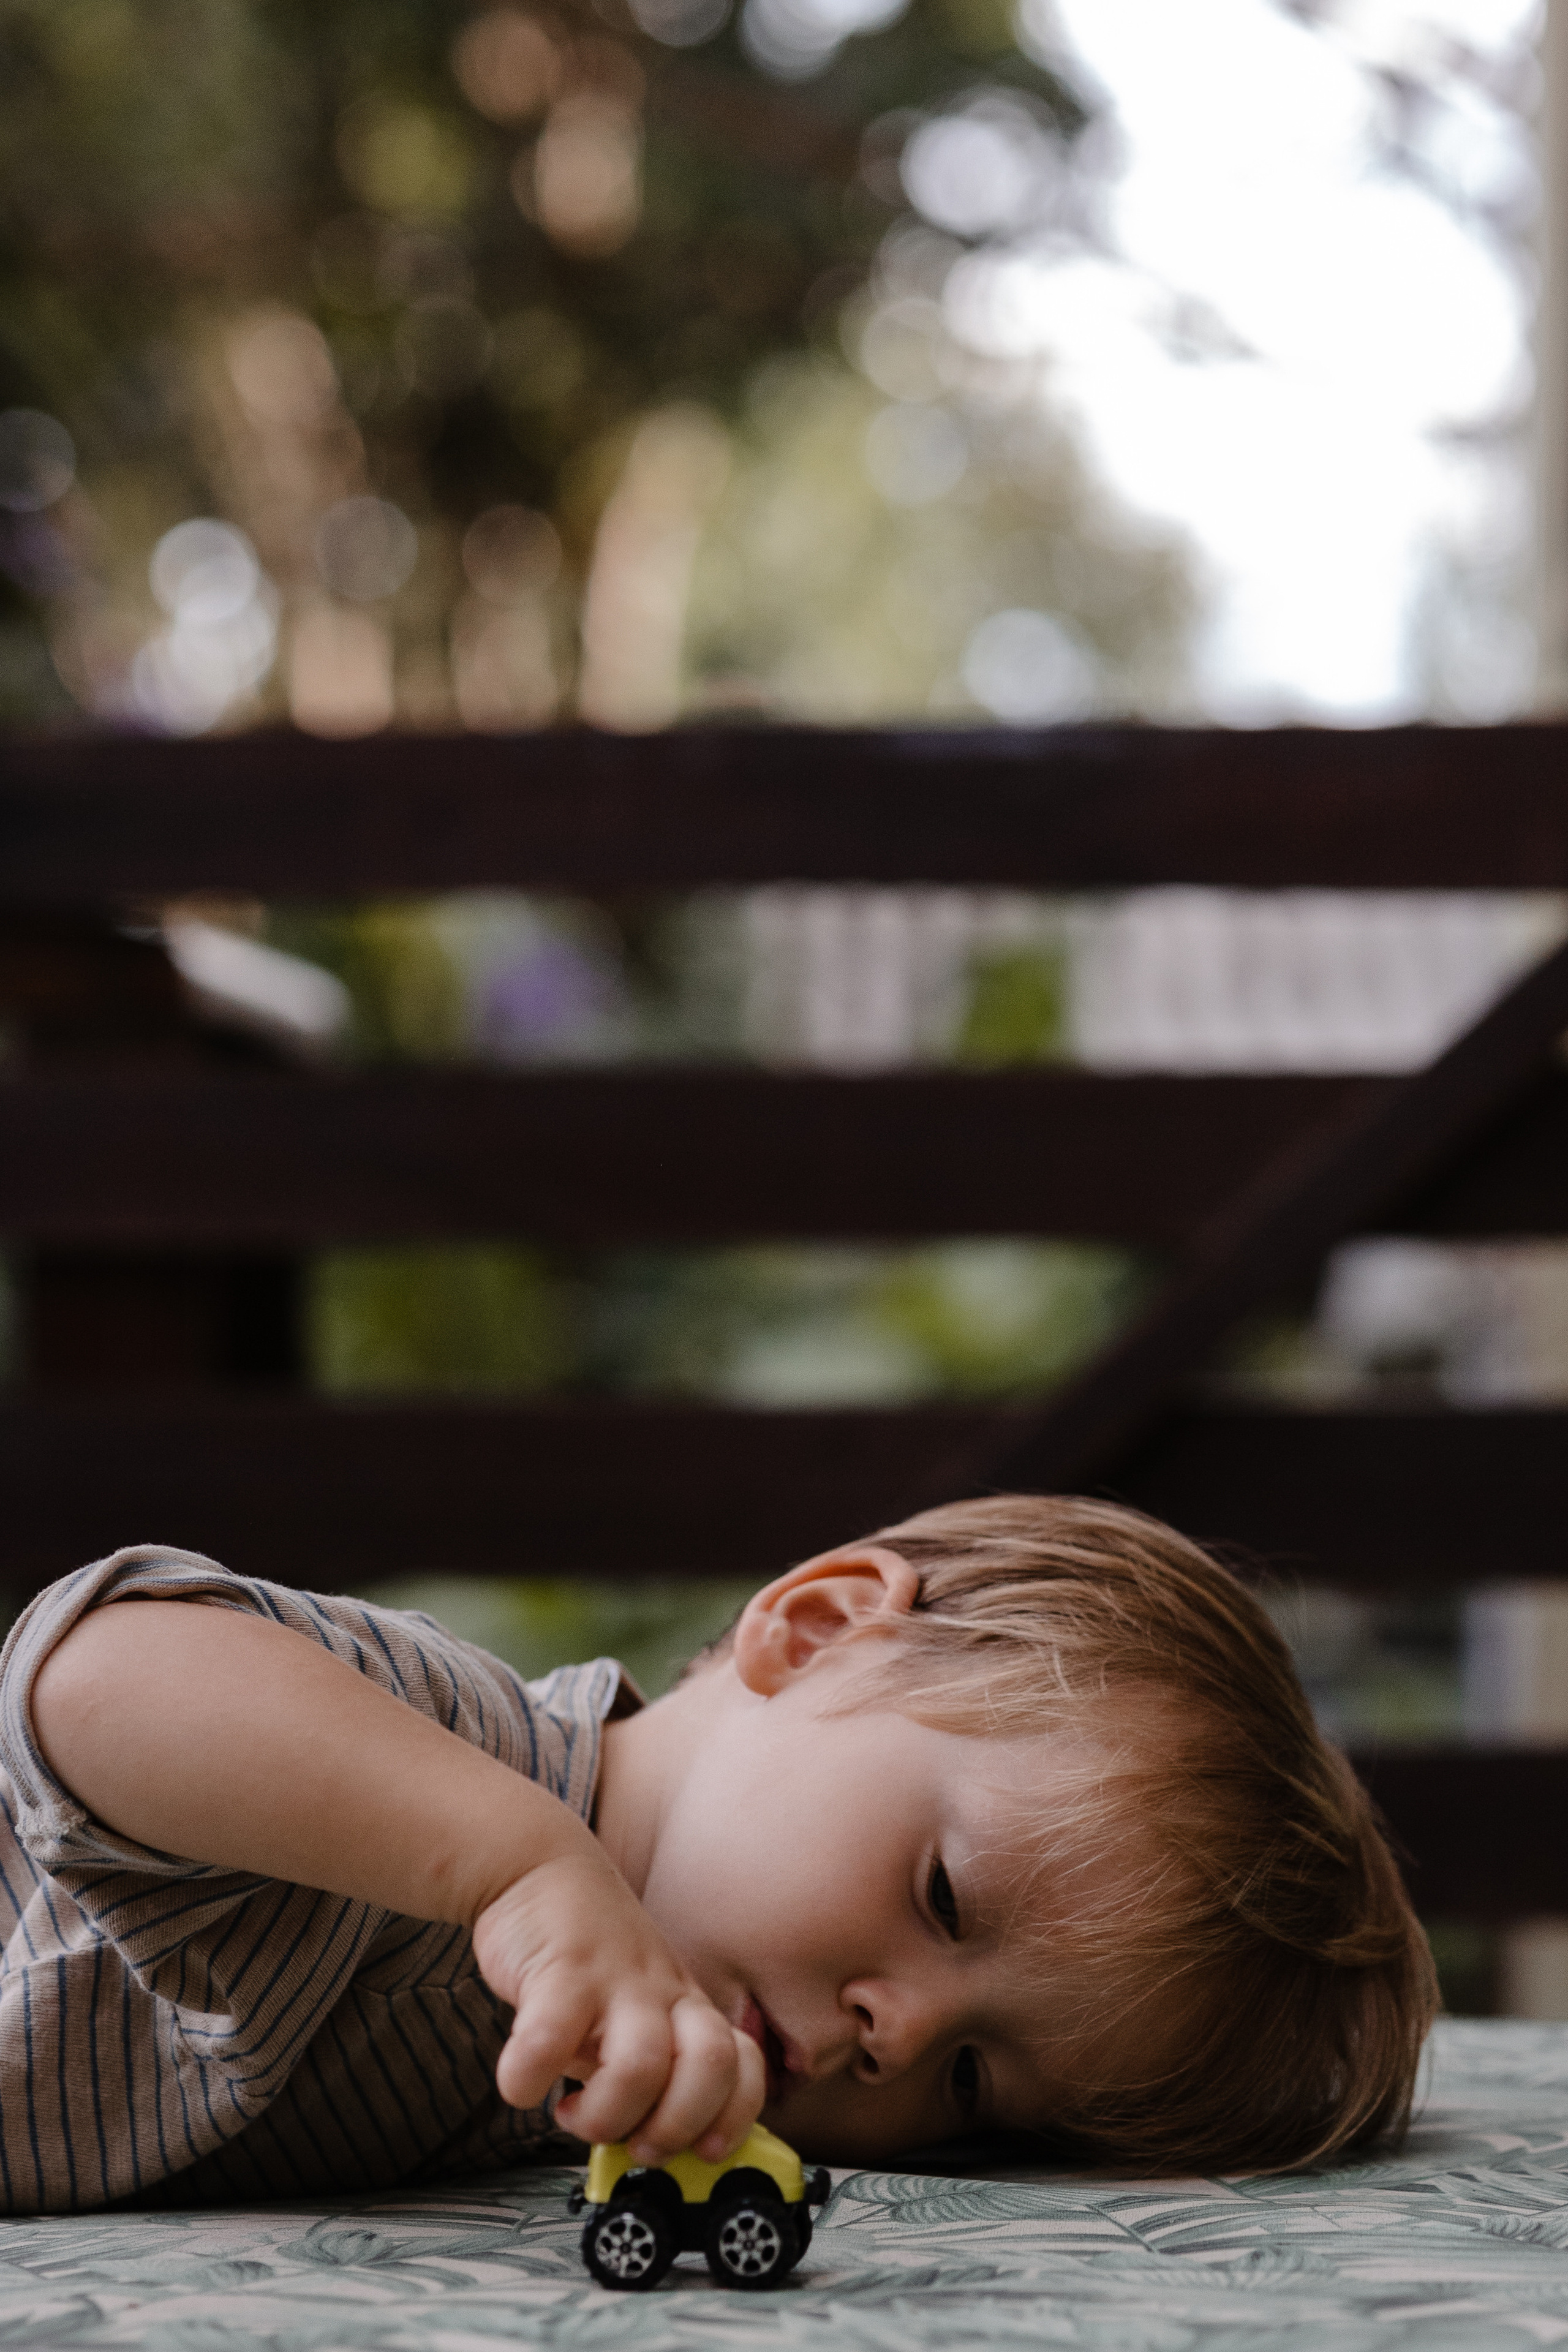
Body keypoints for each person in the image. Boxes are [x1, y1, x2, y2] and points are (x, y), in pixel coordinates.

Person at [0, 1493, 1434, 2212]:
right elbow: (100, 1675)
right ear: (812, 1635)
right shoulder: (464, 1758)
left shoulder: (599, 2098)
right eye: (942, 1896)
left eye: (974, 2083)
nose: (899, 2034)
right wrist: (513, 1866)